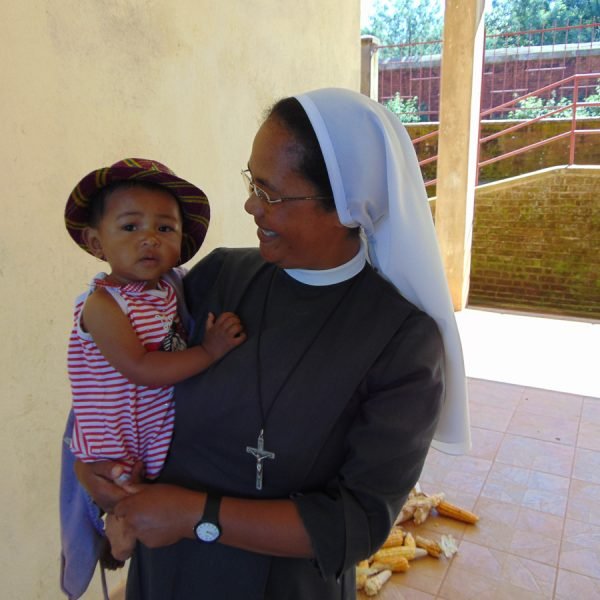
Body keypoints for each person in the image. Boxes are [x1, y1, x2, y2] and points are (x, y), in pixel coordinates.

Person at [73, 89, 470, 600]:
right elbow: (117, 381)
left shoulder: (402, 342)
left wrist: (194, 516)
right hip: (166, 574)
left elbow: (358, 522)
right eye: (251, 182)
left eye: (270, 193)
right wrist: (92, 468)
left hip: (285, 587)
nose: (250, 204)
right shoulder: (217, 276)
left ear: (345, 204)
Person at [60, 158, 245, 599]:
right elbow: (140, 368)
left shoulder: (169, 288)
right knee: (125, 497)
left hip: (152, 432)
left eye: (165, 228)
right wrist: (210, 351)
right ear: (96, 241)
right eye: (130, 227)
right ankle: (114, 542)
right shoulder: (103, 305)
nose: (149, 238)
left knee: (153, 504)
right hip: (114, 438)